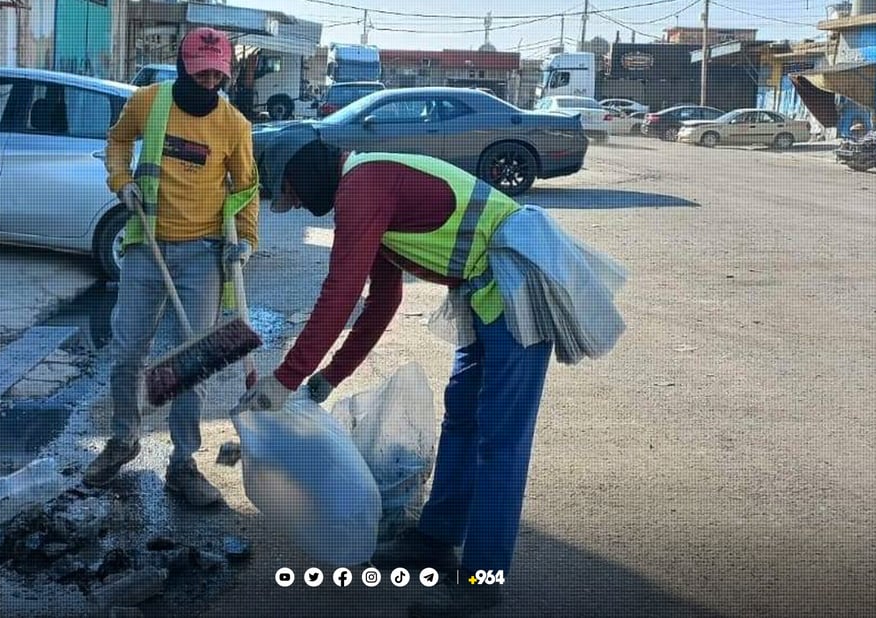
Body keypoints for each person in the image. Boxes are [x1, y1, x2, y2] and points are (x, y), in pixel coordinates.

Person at [241, 124, 625, 617]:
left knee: (500, 442)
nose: (290, 204)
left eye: (288, 191)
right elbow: (382, 301)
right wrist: (328, 378)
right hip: (485, 293)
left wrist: (285, 378)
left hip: (517, 283)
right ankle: (439, 537)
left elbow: (339, 292)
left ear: (303, 171)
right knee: (462, 416)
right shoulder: (364, 188)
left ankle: (482, 580)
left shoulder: (364, 185)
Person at [84, 27, 260, 508]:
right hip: (147, 245)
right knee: (127, 353)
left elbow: (246, 188)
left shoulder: (233, 125)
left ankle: (183, 463)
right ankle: (123, 440)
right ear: (183, 66)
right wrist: (121, 180)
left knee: (192, 362)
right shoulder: (148, 102)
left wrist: (244, 241)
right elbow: (118, 141)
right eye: (201, 71)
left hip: (203, 255)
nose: (208, 82)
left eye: (217, 74)